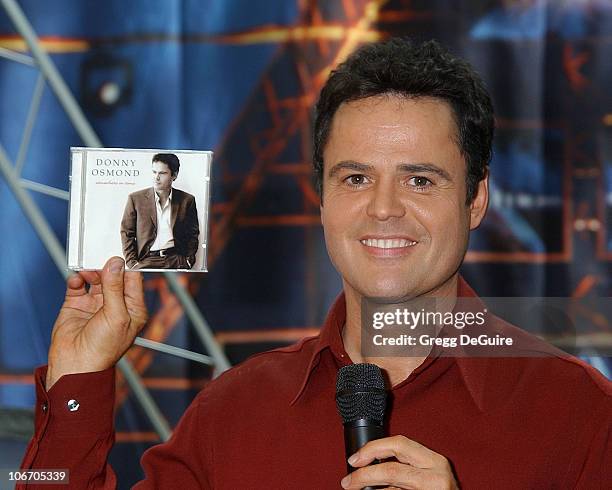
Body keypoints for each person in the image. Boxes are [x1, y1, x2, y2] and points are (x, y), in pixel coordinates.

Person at [20, 39, 610, 489]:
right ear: (321, 199)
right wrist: (78, 377)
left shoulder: (579, 414)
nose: (384, 209)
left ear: (475, 199)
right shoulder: (233, 413)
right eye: (355, 178)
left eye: (420, 180)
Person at [120, 153, 199, 270]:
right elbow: (127, 232)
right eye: (154, 172)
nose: (156, 177)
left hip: (176, 260)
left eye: (162, 173)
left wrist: (188, 260)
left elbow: (193, 233)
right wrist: (133, 263)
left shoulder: (187, 200)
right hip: (146, 260)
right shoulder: (135, 199)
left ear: (174, 175)